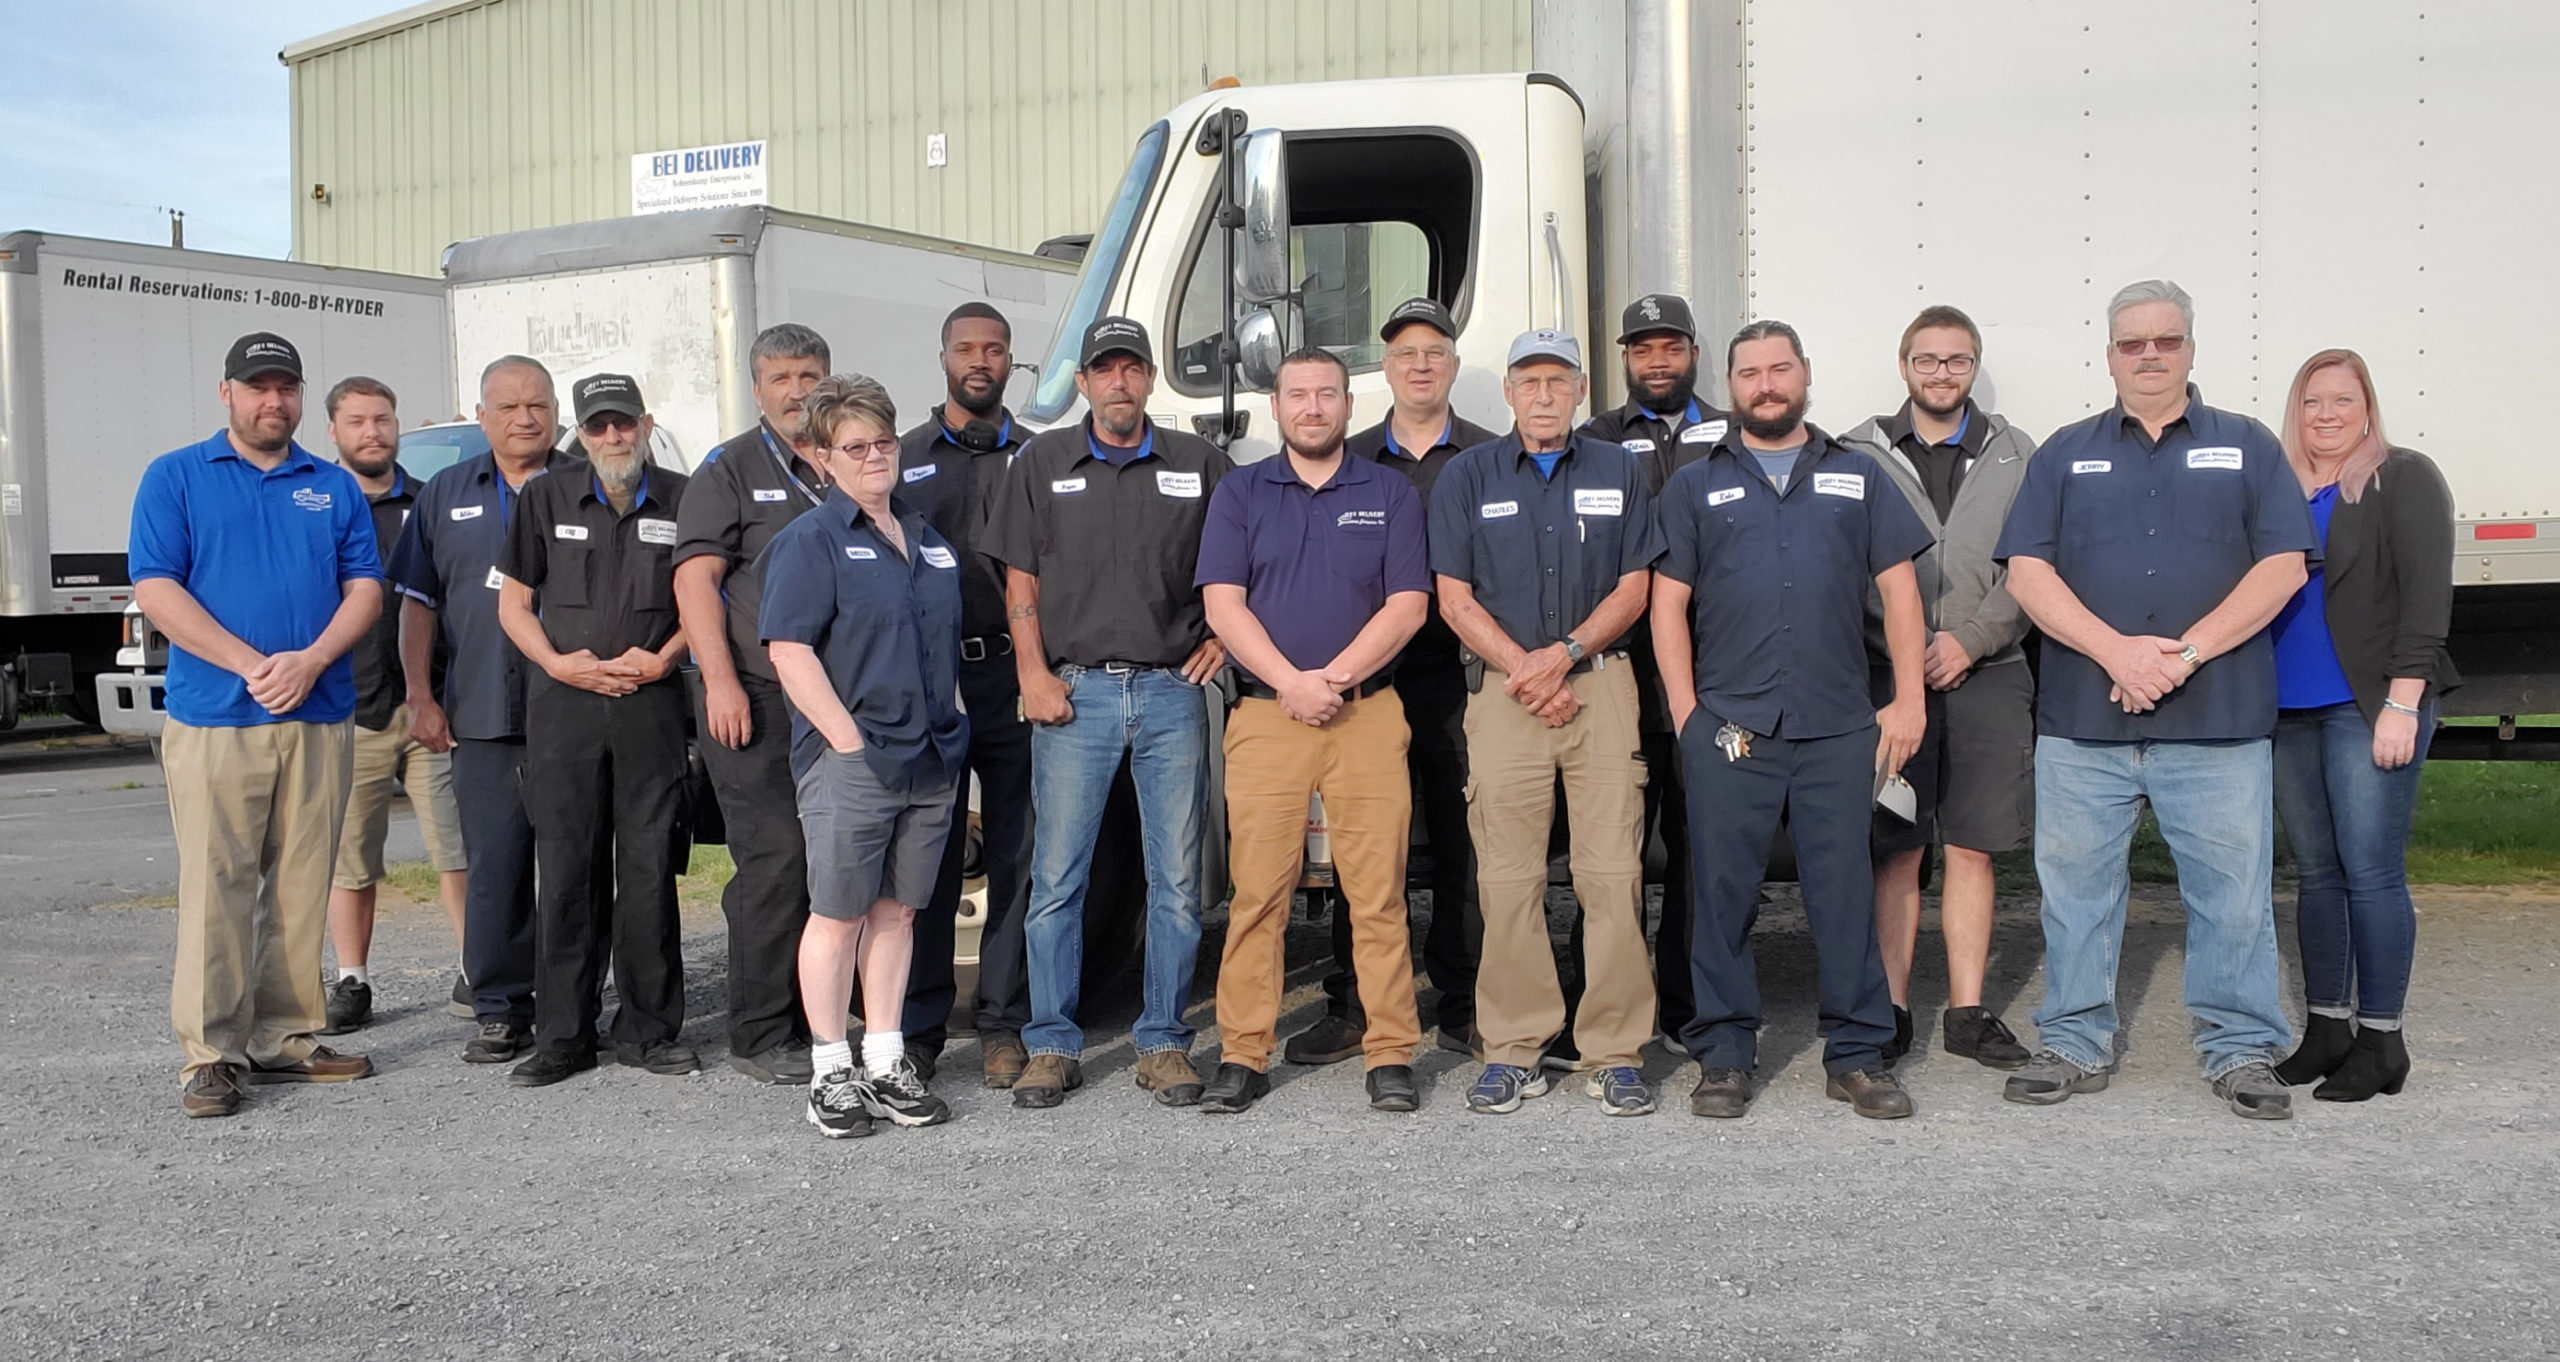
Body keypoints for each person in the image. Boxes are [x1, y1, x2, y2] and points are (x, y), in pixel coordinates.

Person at [1993, 280, 2317, 1121]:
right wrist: (2116, 652)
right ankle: (2072, 1040)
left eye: (2165, 341)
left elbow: (2282, 566)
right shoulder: (2064, 453)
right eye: (2131, 343)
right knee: (2075, 894)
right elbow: (2028, 571)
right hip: (2085, 720)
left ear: (2191, 350)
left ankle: (2241, 1049)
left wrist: (2185, 653)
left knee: (2232, 896)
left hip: (2216, 721)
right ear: (2109, 356)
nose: (2148, 355)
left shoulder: (2247, 447)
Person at [1652, 320, 1932, 1121]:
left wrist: (1906, 700)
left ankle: (1856, 1052)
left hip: (1839, 723)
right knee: (1722, 893)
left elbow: (1902, 594)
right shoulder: (1695, 484)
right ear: (1731, 384)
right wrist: (1685, 715)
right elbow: (1667, 605)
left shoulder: (1859, 475)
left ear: (1805, 374)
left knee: (1843, 892)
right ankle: (1725, 1054)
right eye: (1750, 373)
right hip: (1730, 726)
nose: (1766, 384)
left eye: (1780, 369)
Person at [129, 331, 382, 1117]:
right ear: (227, 394)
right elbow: (156, 587)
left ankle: (284, 1037)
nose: (272, 401)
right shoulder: (175, 476)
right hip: (216, 717)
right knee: (218, 884)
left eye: (286, 387)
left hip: (319, 711)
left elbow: (365, 588)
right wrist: (251, 663)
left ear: (301, 396)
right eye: (257, 386)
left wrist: (308, 661)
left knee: (302, 882)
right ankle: (210, 1055)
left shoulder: (331, 486)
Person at [985, 316, 1232, 1110]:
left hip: (1171, 693)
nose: (1118, 383)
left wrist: (1225, 635)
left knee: (1179, 878)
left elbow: (1247, 560)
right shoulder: (1041, 462)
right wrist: (1032, 672)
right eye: (1104, 370)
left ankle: (1162, 1041)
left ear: (1150, 379)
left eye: (1132, 369)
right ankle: (1051, 1043)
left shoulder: (1202, 465)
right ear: (1084, 383)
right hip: (1074, 695)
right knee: (1057, 878)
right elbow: (1018, 579)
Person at [1430, 328, 1663, 1117]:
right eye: (1528, 381)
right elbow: (1453, 599)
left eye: (1557, 381)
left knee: (1611, 877)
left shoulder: (1620, 469)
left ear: (1580, 388)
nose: (1542, 395)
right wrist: (1528, 671)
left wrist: (1561, 656)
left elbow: (1636, 589)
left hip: (1599, 686)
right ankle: (1515, 1046)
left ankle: (1615, 1050)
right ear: (1508, 392)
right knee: (1507, 880)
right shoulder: (1468, 476)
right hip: (1503, 696)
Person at [1196, 347, 1431, 1114]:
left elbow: (1408, 607)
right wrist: (1293, 684)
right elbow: (1224, 606)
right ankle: (1244, 1053)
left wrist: (1329, 681)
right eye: (1297, 394)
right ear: (1276, 407)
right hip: (1267, 717)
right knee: (1258, 894)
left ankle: (1390, 1051)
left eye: (1327, 394)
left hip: (1365, 715)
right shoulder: (1240, 492)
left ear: (1347, 405)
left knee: (1378, 894)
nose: (1313, 407)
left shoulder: (1390, 493)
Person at [1286, 296, 1496, 1066]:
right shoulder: (1352, 459)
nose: (1419, 365)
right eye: (1405, 353)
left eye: (1434, 352)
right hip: (1363, 687)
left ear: (1452, 365)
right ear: (1387, 369)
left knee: (1461, 847)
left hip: (1457, 683)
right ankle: (1356, 1004)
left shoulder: (1487, 457)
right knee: (1364, 855)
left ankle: (1466, 1001)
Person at [761, 374, 967, 1137]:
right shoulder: (809, 542)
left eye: (885, 441)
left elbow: (942, 646)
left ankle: (885, 1060)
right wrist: (848, 744)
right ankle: (831, 1072)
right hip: (853, 763)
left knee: (898, 911)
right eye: (856, 446)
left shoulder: (929, 539)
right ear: (821, 458)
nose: (875, 456)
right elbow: (788, 650)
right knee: (838, 913)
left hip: (930, 758)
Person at [1837, 305, 2038, 1070]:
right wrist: (1908, 642)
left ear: (1973, 368)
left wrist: (1970, 640)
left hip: (1990, 672)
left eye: (1957, 361)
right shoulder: (1858, 453)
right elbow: (1846, 563)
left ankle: (1966, 1011)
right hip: (1890, 678)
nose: (1942, 374)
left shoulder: (2018, 454)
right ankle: (1890, 1010)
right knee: (1896, 847)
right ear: (1904, 366)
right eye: (1928, 360)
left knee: (1975, 847)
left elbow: (2032, 568)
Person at [2264, 349, 2457, 1101]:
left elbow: (2425, 602)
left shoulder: (2400, 478)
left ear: (2367, 407)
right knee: (2316, 874)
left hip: (2368, 704)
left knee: (2371, 872)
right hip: (2289, 711)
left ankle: (2383, 1040)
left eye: (2343, 400)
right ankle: (2327, 1027)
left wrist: (2403, 703)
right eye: (2313, 402)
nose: (2327, 415)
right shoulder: (2282, 488)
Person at [495, 374, 694, 1087]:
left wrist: (664, 657)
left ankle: (648, 1030)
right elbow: (514, 605)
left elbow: (704, 598)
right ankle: (563, 1037)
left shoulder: (683, 495)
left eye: (623, 425)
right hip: (566, 711)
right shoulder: (544, 496)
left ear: (644, 424)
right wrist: (557, 663)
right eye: (598, 427)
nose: (613, 438)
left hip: (651, 708)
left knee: (646, 874)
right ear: (579, 434)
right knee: (569, 876)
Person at [389, 356, 575, 1065]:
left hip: (572, 713)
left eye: (538, 404)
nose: (525, 417)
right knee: (494, 864)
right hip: (482, 713)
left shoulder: (583, 487)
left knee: (573, 865)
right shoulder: (443, 494)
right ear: (481, 414)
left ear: (556, 411)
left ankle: (571, 1001)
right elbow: (418, 605)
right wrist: (420, 695)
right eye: (509, 407)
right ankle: (500, 1006)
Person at [673, 322, 832, 1085]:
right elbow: (695, 582)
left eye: (808, 375)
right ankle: (761, 1034)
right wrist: (720, 681)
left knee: (828, 863)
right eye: (781, 379)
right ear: (758, 387)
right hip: (758, 698)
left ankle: (816, 1022)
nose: (797, 391)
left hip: (835, 701)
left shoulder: (846, 457)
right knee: (774, 860)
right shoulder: (729, 469)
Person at [1581, 293, 1731, 1057]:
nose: (1658, 361)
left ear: (1694, 353)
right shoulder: (1594, 440)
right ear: (1626, 360)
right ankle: (1605, 1003)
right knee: (1613, 852)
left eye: (1671, 347)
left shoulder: (1734, 435)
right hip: (1619, 681)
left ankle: (1685, 1005)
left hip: (1714, 680)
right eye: (1643, 349)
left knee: (1699, 847)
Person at [895, 303, 1036, 1087]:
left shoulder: (1044, 458)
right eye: (964, 348)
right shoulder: (904, 457)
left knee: (1017, 856)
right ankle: (919, 1027)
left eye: (994, 348)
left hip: (1019, 675)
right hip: (933, 682)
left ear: (1012, 359)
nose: (979, 360)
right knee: (929, 857)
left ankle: (1003, 1023)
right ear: (942, 356)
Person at [317, 376, 469, 1035]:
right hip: (350, 711)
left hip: (430, 709)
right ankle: (352, 979)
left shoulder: (429, 501)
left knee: (459, 853)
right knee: (351, 857)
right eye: (356, 422)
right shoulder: (314, 502)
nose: (372, 432)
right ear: (333, 431)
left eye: (382, 419)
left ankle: (477, 970)